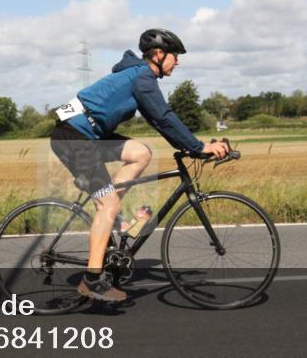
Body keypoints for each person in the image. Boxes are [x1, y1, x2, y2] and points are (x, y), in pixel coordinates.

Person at [50, 29, 230, 302]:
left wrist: (189, 144)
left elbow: (159, 120)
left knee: (141, 153)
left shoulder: (138, 76)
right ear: (158, 55)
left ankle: (112, 213)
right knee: (108, 204)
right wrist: (199, 147)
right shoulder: (142, 78)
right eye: (175, 56)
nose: (177, 62)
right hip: (74, 138)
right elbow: (164, 117)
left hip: (90, 135)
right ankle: (92, 281)